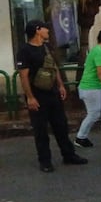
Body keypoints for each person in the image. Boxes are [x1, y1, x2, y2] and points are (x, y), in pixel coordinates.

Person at [16, 20, 88, 172]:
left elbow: (53, 68)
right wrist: (30, 97)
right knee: (41, 130)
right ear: (37, 30)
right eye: (45, 29)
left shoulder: (46, 47)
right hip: (38, 95)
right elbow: (23, 76)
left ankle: (69, 155)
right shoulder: (25, 51)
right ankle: (45, 161)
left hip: (53, 93)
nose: (48, 31)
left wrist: (61, 85)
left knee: (61, 126)